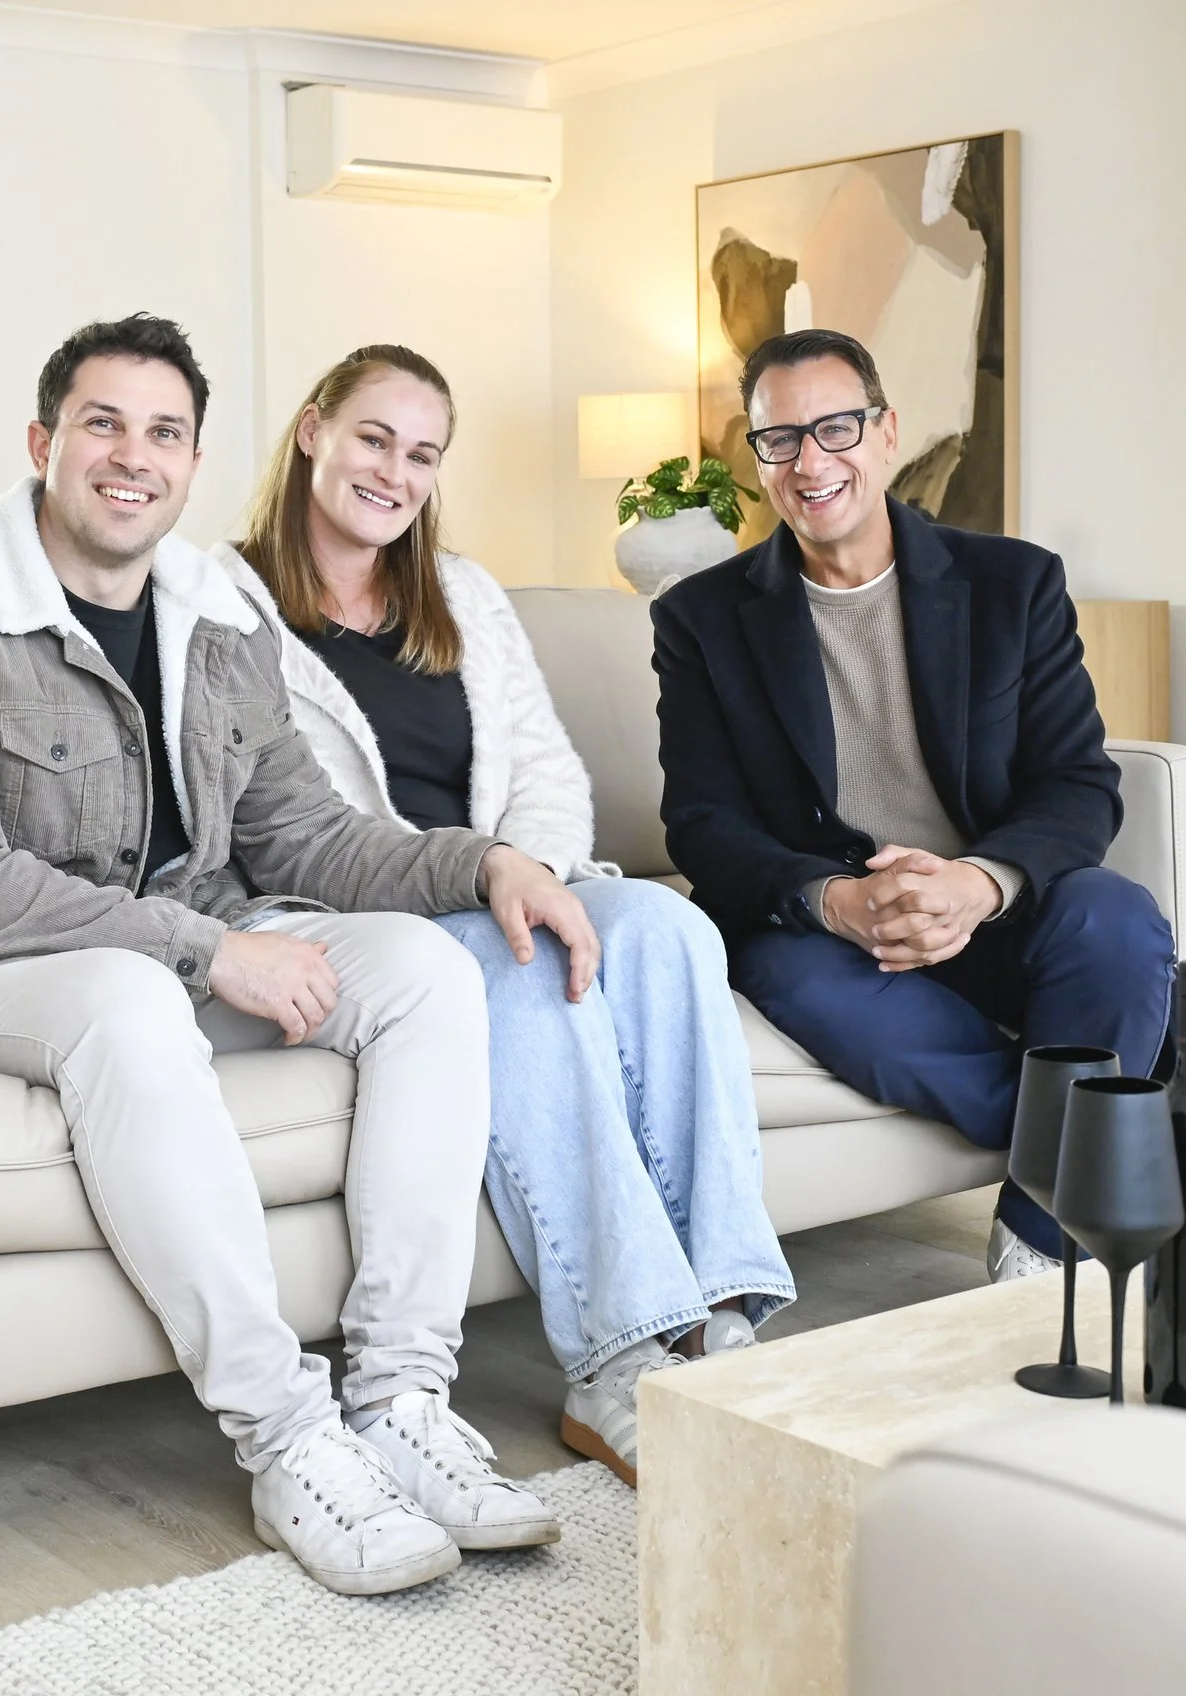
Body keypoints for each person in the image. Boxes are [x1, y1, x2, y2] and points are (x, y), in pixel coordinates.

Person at [0, 314, 602, 1596]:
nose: (133, 458)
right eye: (103, 424)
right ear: (43, 443)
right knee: (132, 999)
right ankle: (285, 1435)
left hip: (177, 951)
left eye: (165, 433)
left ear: (192, 463)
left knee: (423, 969)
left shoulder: (218, 620)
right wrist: (209, 951)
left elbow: (308, 831)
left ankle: (402, 1398)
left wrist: (480, 863)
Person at [215, 344, 792, 1488]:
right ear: (312, 432)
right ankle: (618, 1357)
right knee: (520, 964)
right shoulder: (222, 602)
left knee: (673, 931)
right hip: (365, 905)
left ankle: (721, 1314)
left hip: (505, 879)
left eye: (422, 454)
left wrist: (533, 868)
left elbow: (544, 765)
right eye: (373, 437)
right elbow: (278, 825)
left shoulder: (462, 593)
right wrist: (482, 883)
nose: (395, 471)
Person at [650, 327, 1176, 1282]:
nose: (812, 462)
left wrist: (980, 883)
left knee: (1118, 919)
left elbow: (1077, 780)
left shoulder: (1012, 583)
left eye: (836, 427)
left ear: (887, 433)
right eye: (781, 439)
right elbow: (704, 823)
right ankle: (1114, 1138)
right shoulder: (700, 618)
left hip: (992, 910)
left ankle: (1038, 1230)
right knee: (801, 983)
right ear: (758, 458)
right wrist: (834, 903)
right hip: (833, 932)